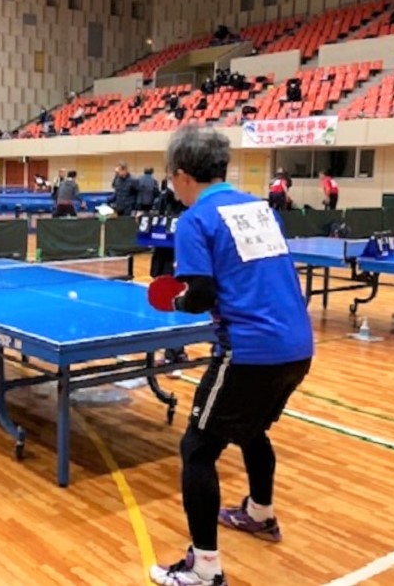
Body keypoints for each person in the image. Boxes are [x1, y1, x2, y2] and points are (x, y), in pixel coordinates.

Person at [147, 126, 313, 586]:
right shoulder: (261, 210)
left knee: (197, 449)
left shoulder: (195, 219)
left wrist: (174, 301)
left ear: (182, 175)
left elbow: (200, 294)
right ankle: (259, 513)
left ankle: (205, 568)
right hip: (297, 345)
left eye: (170, 178)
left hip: (248, 350)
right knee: (250, 428)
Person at [150, 178, 189, 367]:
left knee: (176, 306)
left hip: (180, 259)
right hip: (163, 258)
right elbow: (153, 223)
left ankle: (176, 352)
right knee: (165, 307)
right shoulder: (162, 200)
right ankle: (172, 351)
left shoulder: (189, 203)